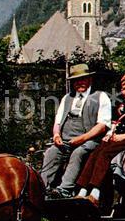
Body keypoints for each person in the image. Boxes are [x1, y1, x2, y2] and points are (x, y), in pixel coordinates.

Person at [75, 74, 125, 205]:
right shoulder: (119, 107)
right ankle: (83, 190)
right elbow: (114, 125)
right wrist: (109, 133)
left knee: (105, 154)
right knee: (95, 153)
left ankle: (95, 192)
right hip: (116, 139)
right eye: (124, 89)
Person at [41, 63, 112, 198]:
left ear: (89, 79)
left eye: (83, 79)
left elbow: (102, 125)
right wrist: (56, 135)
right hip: (66, 139)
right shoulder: (67, 98)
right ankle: (42, 188)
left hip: (90, 140)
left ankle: (64, 190)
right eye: (76, 80)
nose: (80, 83)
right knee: (52, 152)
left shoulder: (100, 96)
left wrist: (82, 138)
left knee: (78, 153)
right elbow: (58, 121)